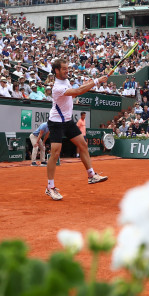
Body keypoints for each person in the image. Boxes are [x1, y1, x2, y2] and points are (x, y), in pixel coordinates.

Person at [45, 58, 108, 201]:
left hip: (68, 122)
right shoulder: (56, 87)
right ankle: (50, 187)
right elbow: (78, 90)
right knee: (55, 154)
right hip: (56, 123)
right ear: (56, 71)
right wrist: (97, 81)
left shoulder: (66, 82)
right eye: (64, 69)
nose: (67, 71)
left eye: (67, 68)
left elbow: (75, 93)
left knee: (83, 145)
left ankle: (91, 175)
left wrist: (94, 82)